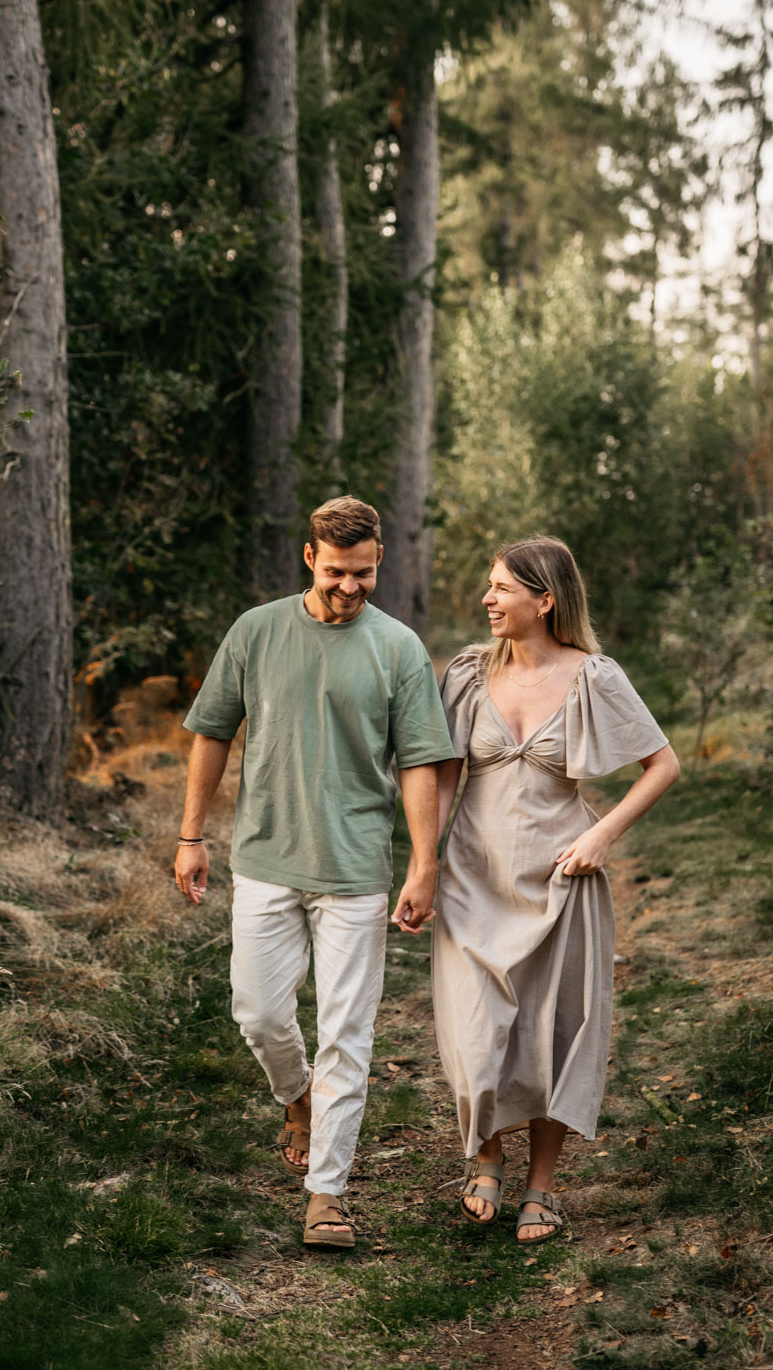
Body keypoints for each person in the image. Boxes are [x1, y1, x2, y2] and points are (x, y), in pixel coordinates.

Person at [174, 496, 453, 1249]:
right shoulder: (256, 630)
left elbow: (423, 763)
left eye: (363, 572)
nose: (350, 587)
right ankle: (297, 1098)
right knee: (258, 1014)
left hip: (357, 869)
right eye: (336, 572)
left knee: (347, 1033)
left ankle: (326, 1194)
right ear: (309, 558)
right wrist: (191, 835)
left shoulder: (397, 648)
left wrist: (422, 865)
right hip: (265, 858)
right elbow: (210, 733)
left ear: (379, 560)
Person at [428, 537, 679, 1245]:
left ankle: (542, 1185)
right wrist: (425, 863)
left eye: (502, 588)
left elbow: (663, 765)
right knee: (471, 1032)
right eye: (488, 585)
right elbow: (445, 775)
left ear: (545, 599)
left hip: (561, 880)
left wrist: (602, 836)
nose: (487, 599)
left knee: (553, 1037)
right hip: (473, 878)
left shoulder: (592, 676)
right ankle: (483, 1153)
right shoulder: (468, 674)